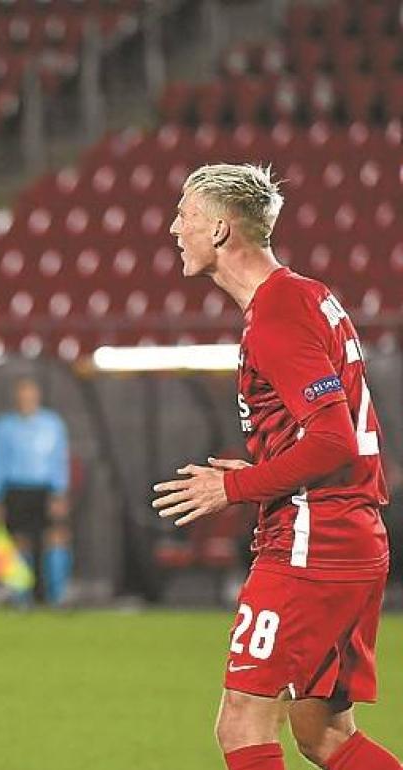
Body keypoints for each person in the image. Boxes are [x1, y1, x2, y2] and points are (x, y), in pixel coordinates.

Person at [154, 163, 400, 770]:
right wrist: (269, 461)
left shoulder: (277, 313)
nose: (172, 228)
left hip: (313, 542)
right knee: (324, 735)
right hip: (351, 535)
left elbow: (334, 439)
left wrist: (234, 486)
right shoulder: (307, 294)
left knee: (241, 724)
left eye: (183, 215)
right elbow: (322, 429)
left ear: (217, 229)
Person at [0, 376, 72, 605]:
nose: (26, 400)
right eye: (22, 395)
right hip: (16, 488)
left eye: (30, 395)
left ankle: (54, 595)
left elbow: (59, 460)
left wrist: (60, 492)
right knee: (19, 542)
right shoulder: (3, 426)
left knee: (55, 539)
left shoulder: (52, 424)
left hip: (45, 489)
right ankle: (22, 596)